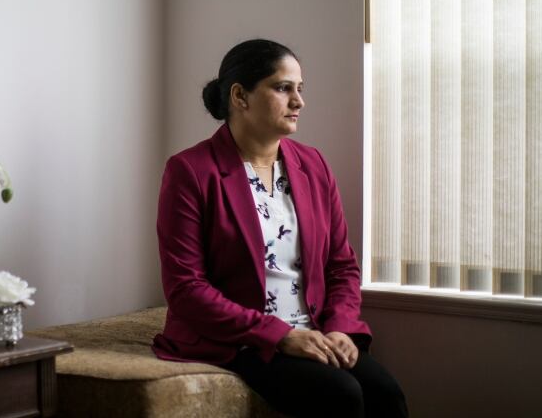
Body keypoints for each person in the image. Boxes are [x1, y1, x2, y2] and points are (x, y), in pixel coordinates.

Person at [152, 39, 408, 418]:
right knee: (341, 394)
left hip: (314, 330)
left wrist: (340, 328)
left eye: (300, 89)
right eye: (283, 87)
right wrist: (281, 335)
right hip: (242, 340)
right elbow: (186, 289)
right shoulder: (190, 171)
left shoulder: (313, 165)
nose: (298, 101)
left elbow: (341, 265)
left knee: (386, 394)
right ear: (240, 96)